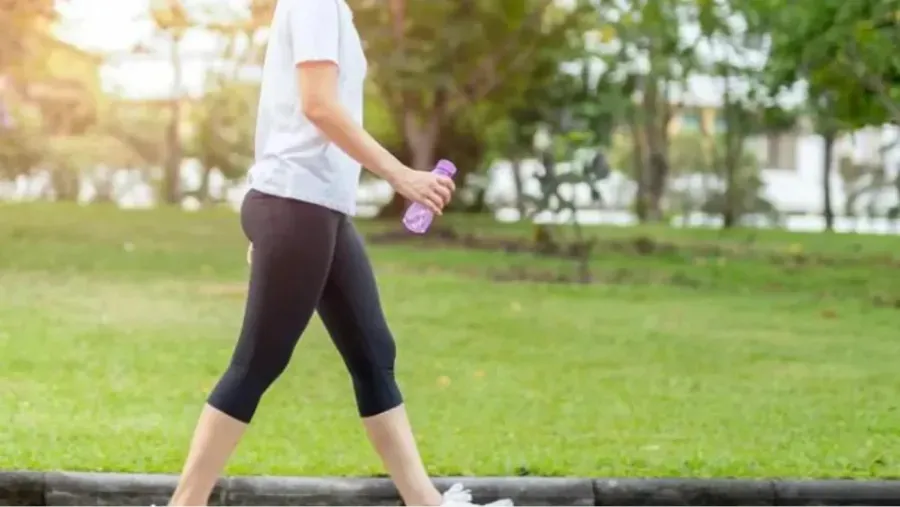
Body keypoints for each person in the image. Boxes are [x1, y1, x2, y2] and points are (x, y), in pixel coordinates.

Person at [167, 0, 512, 506]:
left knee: (374, 355)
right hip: (297, 205)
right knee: (256, 364)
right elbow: (318, 106)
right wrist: (402, 176)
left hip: (315, 208)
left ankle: (426, 504)